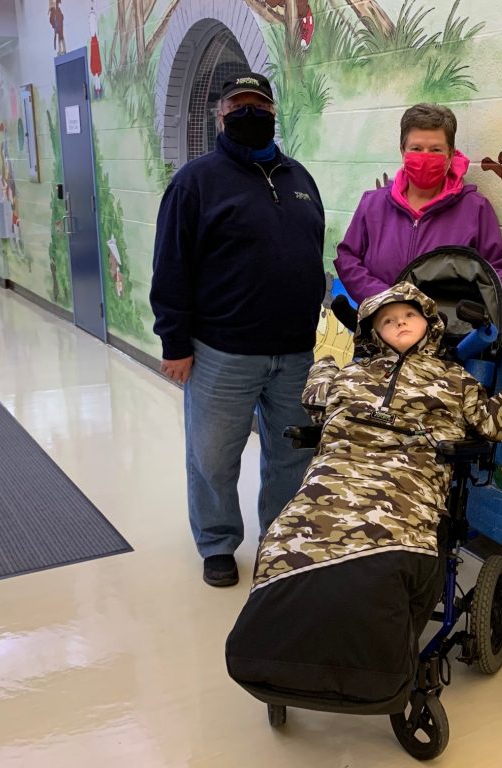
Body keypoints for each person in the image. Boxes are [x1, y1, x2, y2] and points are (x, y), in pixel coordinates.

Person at [226, 282, 502, 708]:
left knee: (387, 562)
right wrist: (325, 362)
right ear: (373, 333)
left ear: (430, 325)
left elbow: (501, 423)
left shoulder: (454, 380)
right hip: (339, 469)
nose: (399, 322)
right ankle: (279, 658)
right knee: (283, 537)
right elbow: (314, 397)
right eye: (387, 319)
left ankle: (368, 667)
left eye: (408, 316)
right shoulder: (353, 374)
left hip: (407, 481)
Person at [150, 72, 325, 588]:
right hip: (222, 352)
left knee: (292, 454)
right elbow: (171, 267)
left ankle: (280, 537)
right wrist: (174, 343)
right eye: (239, 105)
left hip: (295, 352)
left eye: (260, 104)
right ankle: (218, 543)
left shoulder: (299, 178)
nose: (251, 113)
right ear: (220, 116)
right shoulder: (195, 182)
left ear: (274, 112)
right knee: (213, 456)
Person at [334, 103, 502, 327]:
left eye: (436, 150)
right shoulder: (373, 204)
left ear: (450, 156)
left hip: (445, 342)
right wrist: (386, 299)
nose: (425, 157)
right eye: (416, 148)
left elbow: (493, 266)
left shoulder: (475, 209)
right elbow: (347, 258)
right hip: (379, 333)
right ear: (402, 151)